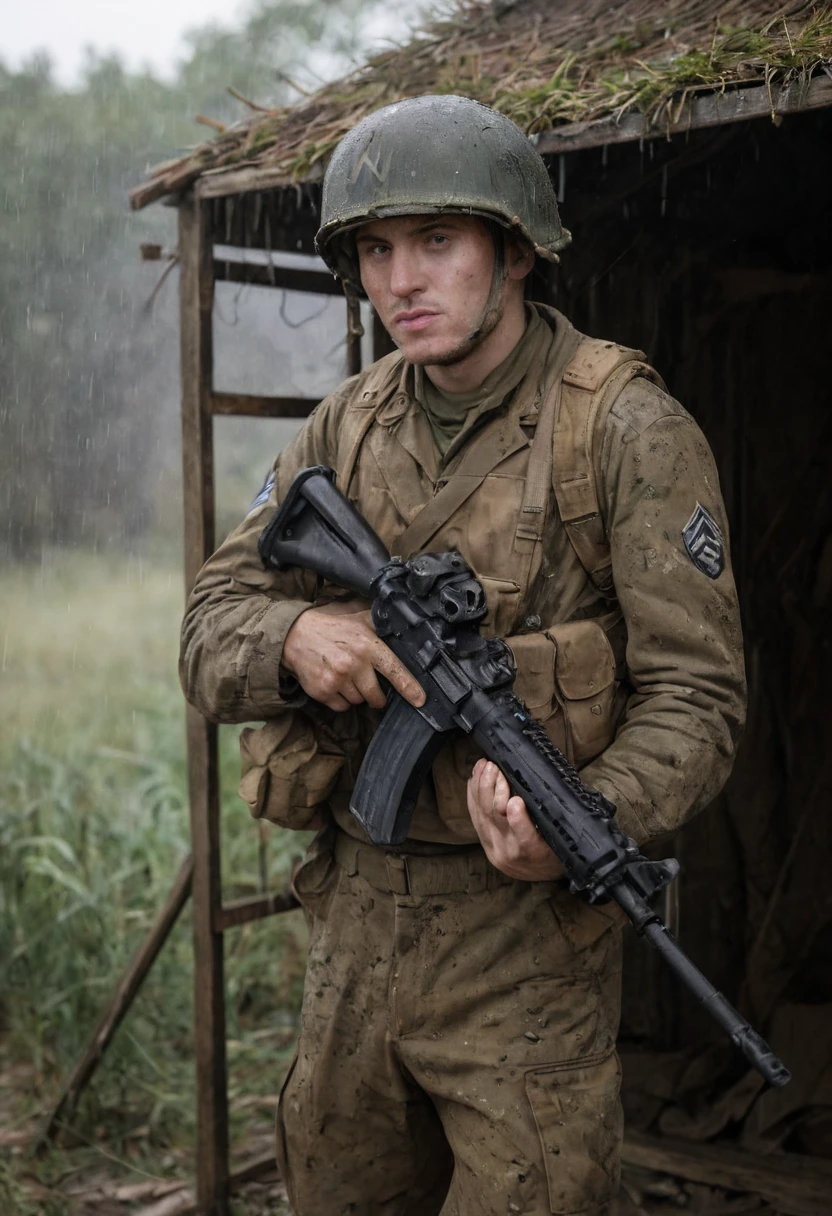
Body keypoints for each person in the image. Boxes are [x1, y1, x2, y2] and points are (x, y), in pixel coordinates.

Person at [180, 95, 746, 1216]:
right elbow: (208, 621)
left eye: (436, 241)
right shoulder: (339, 430)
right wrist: (297, 636)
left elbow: (699, 696)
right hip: (351, 927)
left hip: (525, 955)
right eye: (378, 251)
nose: (402, 281)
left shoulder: (623, 430)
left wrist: (590, 809)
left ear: (517, 250)